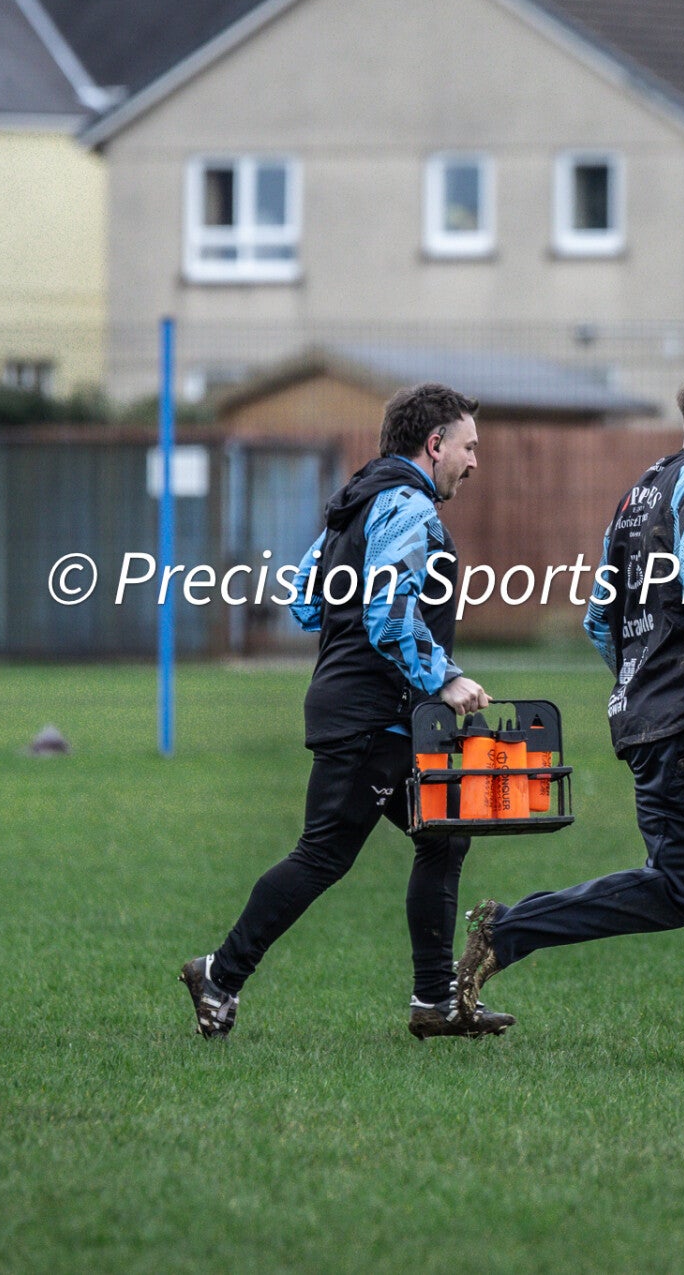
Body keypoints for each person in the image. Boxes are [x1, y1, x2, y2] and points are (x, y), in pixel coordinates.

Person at [452, 360, 684, 1073]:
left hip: (676, 715)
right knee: (677, 889)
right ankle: (509, 930)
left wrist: (642, 682)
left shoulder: (639, 492)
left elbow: (602, 618)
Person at [179, 383, 515, 1040]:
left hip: (371, 710)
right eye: (469, 447)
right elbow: (389, 612)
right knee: (323, 854)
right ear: (435, 443)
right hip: (372, 718)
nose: (474, 462)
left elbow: (308, 598)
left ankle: (434, 1000)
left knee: (443, 835)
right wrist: (440, 675)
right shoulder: (407, 507)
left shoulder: (356, 502)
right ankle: (219, 972)